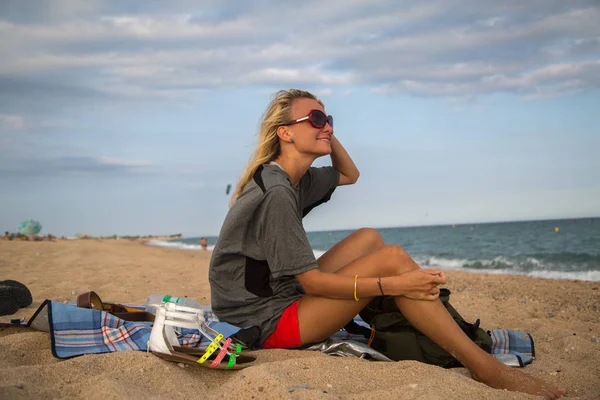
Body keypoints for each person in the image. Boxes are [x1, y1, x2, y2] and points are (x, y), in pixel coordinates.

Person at [208, 89, 566, 399]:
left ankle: (408, 317)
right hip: (264, 319)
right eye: (316, 118)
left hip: (276, 293)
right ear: (285, 132)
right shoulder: (277, 192)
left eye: (328, 117)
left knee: (369, 238)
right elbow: (312, 283)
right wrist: (394, 285)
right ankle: (486, 369)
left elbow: (350, 174)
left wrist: (322, 131)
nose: (328, 125)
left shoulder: (295, 177)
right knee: (392, 261)